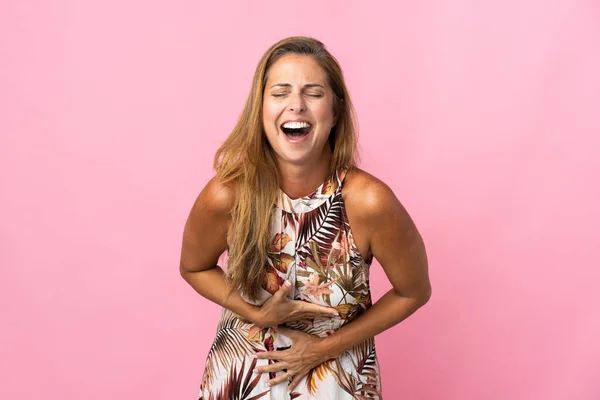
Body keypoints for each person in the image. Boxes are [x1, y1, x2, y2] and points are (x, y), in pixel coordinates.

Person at [180, 36, 431, 400]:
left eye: (313, 93)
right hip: (242, 382)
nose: (295, 105)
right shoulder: (227, 195)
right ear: (261, 109)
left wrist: (322, 349)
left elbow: (414, 291)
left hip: (336, 386)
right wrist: (257, 312)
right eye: (280, 92)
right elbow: (194, 267)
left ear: (335, 111)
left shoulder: (369, 202)